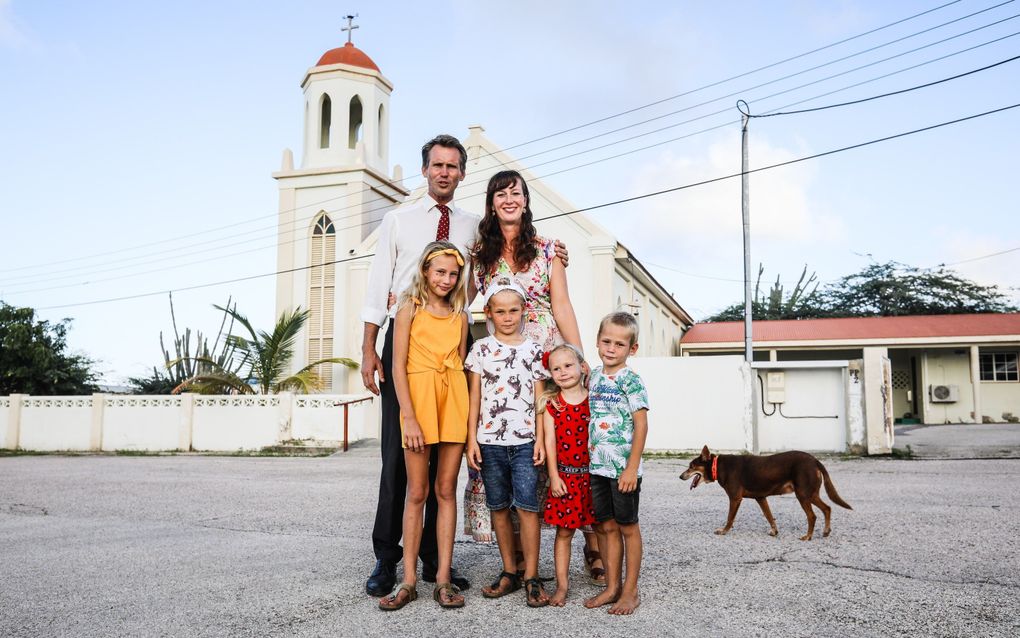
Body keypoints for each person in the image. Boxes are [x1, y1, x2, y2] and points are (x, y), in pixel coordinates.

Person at [465, 169, 605, 585]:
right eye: (500, 193)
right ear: (491, 202)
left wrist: (579, 359)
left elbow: (562, 305)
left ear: (526, 200)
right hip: (502, 370)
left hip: (546, 358)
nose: (509, 199)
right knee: (516, 456)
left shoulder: (547, 250)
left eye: (516, 193)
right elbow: (461, 302)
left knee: (564, 449)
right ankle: (523, 556)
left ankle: (592, 544)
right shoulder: (479, 254)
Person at [361, 134, 475, 597]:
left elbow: (493, 268)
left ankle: (433, 561)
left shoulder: (471, 225)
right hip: (404, 345)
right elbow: (376, 287)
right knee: (400, 461)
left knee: (442, 473)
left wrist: (553, 252)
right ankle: (387, 559)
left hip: (451, 347)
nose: (444, 172)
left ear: (462, 173)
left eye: (452, 166)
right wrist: (369, 349)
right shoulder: (398, 220)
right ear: (425, 169)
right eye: (437, 165)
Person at [378, 242, 470, 611]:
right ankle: (409, 580)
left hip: (453, 401)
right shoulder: (408, 308)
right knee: (416, 491)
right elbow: (397, 367)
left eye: (452, 273)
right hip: (418, 402)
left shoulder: (460, 315)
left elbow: (462, 364)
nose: (446, 280)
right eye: (439, 272)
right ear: (425, 272)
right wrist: (410, 417)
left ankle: (443, 578)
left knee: (446, 490)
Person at [464, 279, 550, 608]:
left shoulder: (533, 351)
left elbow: (541, 401)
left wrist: (541, 439)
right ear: (489, 313)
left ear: (524, 311)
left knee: (528, 508)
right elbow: (475, 398)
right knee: (498, 507)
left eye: (514, 310)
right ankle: (509, 571)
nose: (508, 317)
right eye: (500, 311)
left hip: (526, 442)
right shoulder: (480, 350)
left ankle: (532, 576)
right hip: (489, 442)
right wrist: (471, 439)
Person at [583, 312, 649, 615]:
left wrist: (632, 468)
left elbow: (641, 425)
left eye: (619, 344)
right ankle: (612, 587)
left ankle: (630, 591)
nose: (611, 348)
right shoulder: (593, 376)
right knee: (605, 528)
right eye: (606, 341)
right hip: (596, 466)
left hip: (622, 470)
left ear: (631, 349)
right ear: (597, 342)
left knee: (627, 527)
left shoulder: (631, 381)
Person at [539, 344, 595, 607]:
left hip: (595, 477)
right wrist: (554, 476)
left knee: (602, 529)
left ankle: (608, 576)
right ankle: (562, 585)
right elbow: (549, 442)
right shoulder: (553, 406)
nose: (563, 372)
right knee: (564, 533)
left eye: (568, 365)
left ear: (582, 367)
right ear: (550, 374)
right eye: (556, 368)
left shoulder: (595, 400)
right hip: (567, 479)